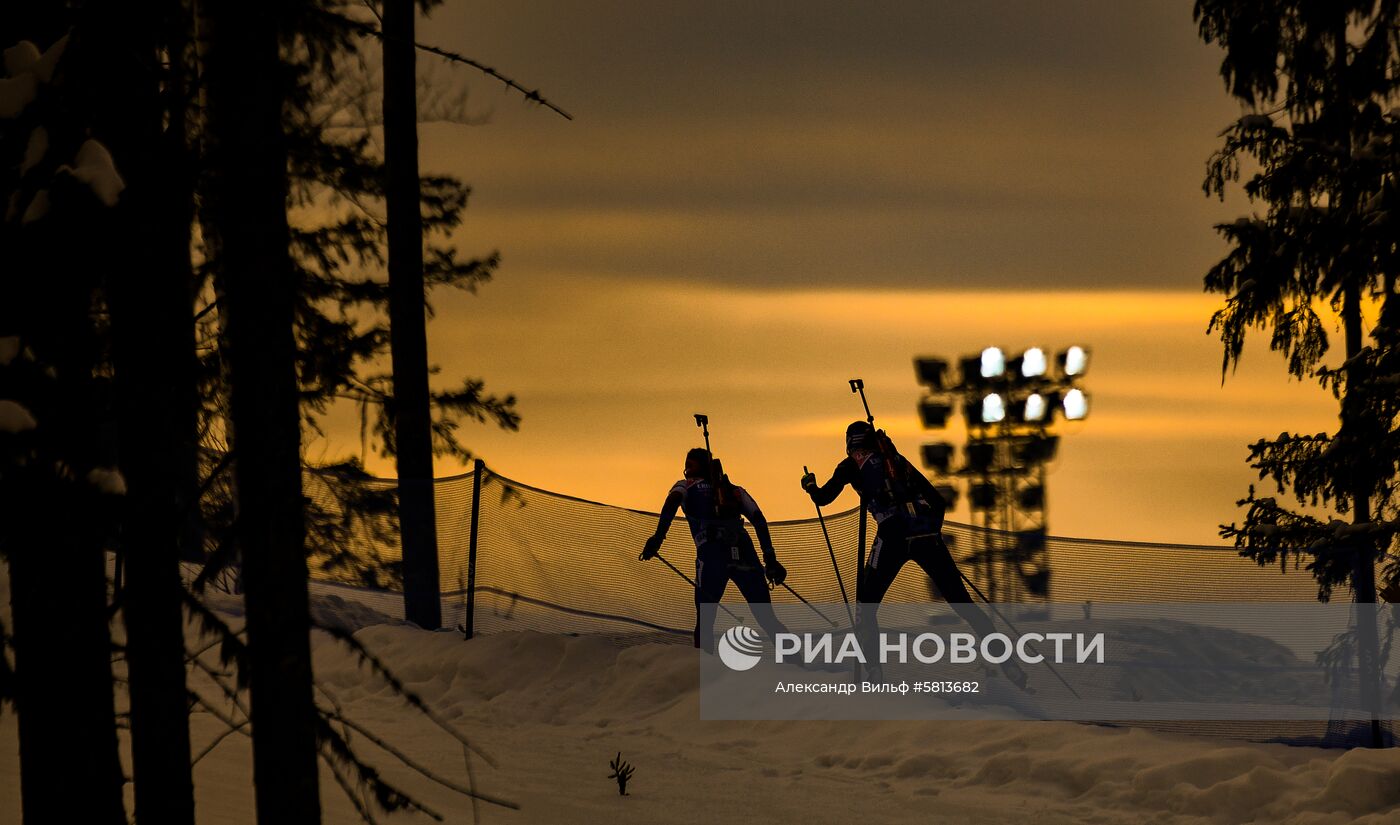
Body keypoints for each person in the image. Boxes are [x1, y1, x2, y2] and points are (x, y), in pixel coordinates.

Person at [801, 421, 1026, 687]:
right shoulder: (896, 459)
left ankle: (874, 673)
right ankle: (1008, 663)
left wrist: (810, 485)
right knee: (963, 603)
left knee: (866, 605)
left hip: (892, 536)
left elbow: (824, 498)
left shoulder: (851, 464)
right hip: (926, 534)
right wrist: (935, 535)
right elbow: (938, 501)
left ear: (850, 443)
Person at [642, 448, 789, 652]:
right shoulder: (734, 490)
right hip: (744, 551)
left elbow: (672, 501)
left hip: (711, 555)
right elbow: (758, 519)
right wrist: (770, 559)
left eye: (689, 464)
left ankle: (702, 674)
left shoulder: (685, 485)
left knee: (705, 620)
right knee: (767, 618)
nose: (685, 468)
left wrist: (658, 538)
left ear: (700, 466)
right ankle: (800, 665)